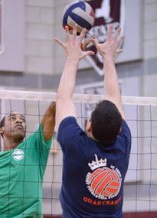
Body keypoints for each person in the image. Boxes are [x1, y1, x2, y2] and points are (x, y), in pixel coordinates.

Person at [54, 24, 131, 217]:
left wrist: (72, 59)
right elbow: (114, 98)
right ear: (118, 129)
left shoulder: (75, 144)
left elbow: (63, 99)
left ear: (88, 125)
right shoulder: (123, 144)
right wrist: (108, 58)